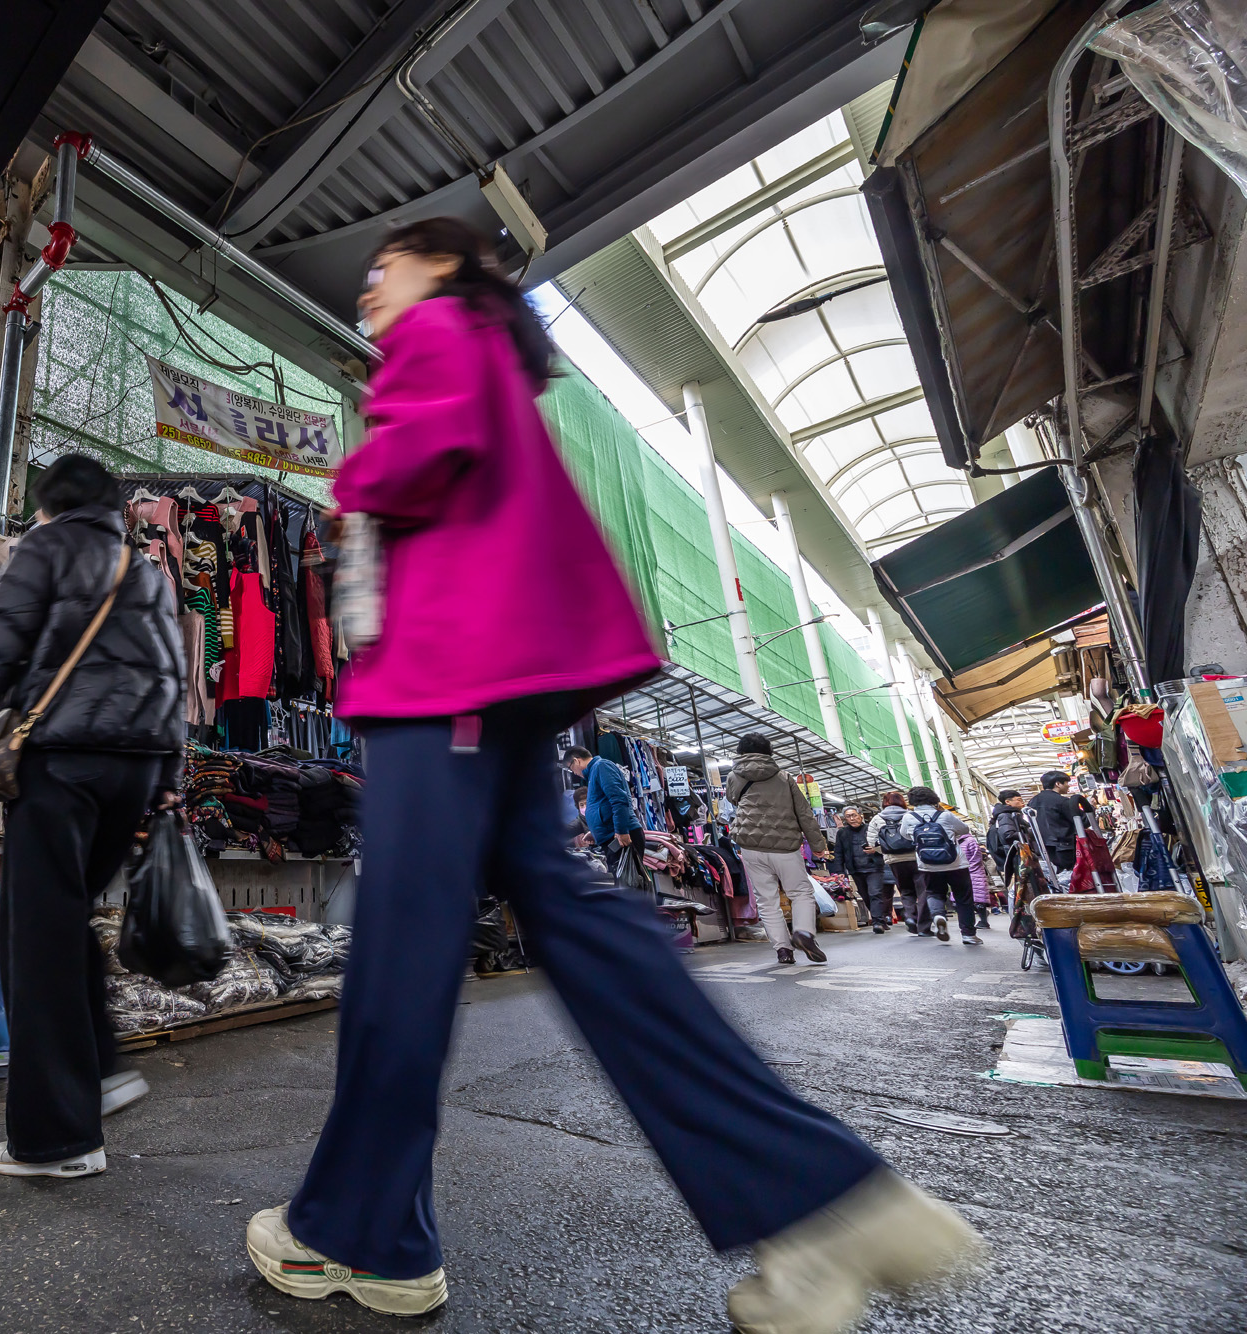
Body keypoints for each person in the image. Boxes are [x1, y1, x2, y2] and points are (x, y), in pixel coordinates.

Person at [243, 217, 977, 1330]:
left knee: (401, 951)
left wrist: (354, 474)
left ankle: (360, 1228)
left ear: (441, 265)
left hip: (447, 675)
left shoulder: (436, 334)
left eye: (382, 263)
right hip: (499, 674)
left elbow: (416, 457)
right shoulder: (483, 343)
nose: (369, 285)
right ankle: (819, 1201)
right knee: (577, 919)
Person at [0, 453, 185, 1180]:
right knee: (59, 924)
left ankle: (56, 1140)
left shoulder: (44, 551)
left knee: (36, 938)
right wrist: (167, 775)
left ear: (48, 506)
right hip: (130, 772)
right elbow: (171, 678)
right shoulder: (143, 570)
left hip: (61, 763)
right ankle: (98, 1069)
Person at [724, 735, 831, 966]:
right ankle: (803, 933)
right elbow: (804, 813)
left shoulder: (734, 776)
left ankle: (783, 950)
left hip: (751, 846)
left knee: (766, 899)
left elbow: (732, 799)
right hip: (786, 846)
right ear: (769, 751)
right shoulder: (784, 777)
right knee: (800, 893)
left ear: (741, 751)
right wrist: (818, 846)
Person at [902, 786, 980, 945]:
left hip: (927, 864)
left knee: (933, 893)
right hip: (955, 863)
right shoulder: (945, 815)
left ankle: (938, 915)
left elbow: (905, 835)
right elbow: (964, 830)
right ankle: (968, 934)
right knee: (963, 898)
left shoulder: (909, 817)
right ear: (933, 798)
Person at [565, 745, 643, 877]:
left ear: (576, 760)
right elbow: (604, 806)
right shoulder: (593, 773)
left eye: (571, 768)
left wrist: (621, 830)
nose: (573, 772)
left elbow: (619, 799)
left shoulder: (601, 766)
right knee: (624, 885)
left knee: (630, 885)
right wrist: (595, 832)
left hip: (622, 837)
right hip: (614, 837)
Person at [867, 790, 928, 935]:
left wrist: (888, 850)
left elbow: (871, 842)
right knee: (923, 890)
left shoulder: (877, 818)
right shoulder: (912, 815)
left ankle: (910, 917)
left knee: (906, 890)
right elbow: (923, 834)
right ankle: (923, 923)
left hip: (894, 861)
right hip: (915, 858)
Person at [831, 806, 888, 933]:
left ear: (860, 815)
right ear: (845, 819)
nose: (852, 818)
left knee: (875, 893)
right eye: (848, 816)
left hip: (874, 867)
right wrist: (840, 871)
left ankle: (877, 922)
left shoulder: (871, 829)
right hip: (855, 869)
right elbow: (838, 852)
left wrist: (875, 850)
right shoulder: (842, 833)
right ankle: (881, 919)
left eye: (854, 815)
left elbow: (885, 844)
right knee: (865, 896)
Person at [1027, 771, 1082, 875]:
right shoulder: (1062, 801)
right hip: (1065, 846)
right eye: (1066, 782)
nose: (1068, 786)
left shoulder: (1032, 801)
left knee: (1058, 876)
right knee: (1073, 874)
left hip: (1044, 846)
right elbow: (1081, 820)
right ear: (1057, 784)